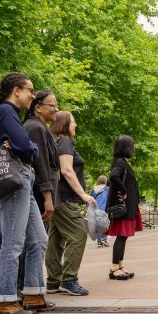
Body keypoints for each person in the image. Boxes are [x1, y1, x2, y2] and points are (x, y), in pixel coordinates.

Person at [0, 72, 53, 314]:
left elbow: (23, 145)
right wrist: (28, 148)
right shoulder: (5, 111)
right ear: (16, 90)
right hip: (15, 181)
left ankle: (34, 293)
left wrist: (25, 147)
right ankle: (5, 300)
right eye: (30, 90)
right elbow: (26, 146)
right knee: (14, 242)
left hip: (25, 179)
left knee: (38, 239)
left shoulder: (9, 114)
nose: (32, 95)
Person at [46, 111, 96, 296]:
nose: (75, 126)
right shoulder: (65, 141)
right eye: (73, 122)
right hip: (65, 198)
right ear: (65, 124)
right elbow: (67, 170)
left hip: (55, 198)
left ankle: (52, 281)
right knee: (78, 234)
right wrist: (83, 194)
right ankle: (69, 279)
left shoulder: (53, 141)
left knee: (56, 239)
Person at [106, 134, 143, 281]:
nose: (133, 149)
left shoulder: (120, 161)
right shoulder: (120, 162)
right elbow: (114, 177)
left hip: (128, 207)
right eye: (132, 146)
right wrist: (124, 191)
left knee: (124, 237)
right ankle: (114, 267)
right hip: (124, 207)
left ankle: (120, 265)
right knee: (121, 237)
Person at [23, 90, 60, 223]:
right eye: (53, 105)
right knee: (37, 241)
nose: (56, 109)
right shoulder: (36, 128)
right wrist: (48, 199)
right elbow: (41, 165)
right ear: (38, 107)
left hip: (37, 193)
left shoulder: (38, 127)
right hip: (38, 196)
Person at [90, 175, 110, 247]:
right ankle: (104, 239)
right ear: (105, 181)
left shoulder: (93, 189)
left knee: (98, 225)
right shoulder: (107, 189)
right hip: (105, 208)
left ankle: (99, 241)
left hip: (96, 208)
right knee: (106, 224)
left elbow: (90, 200)